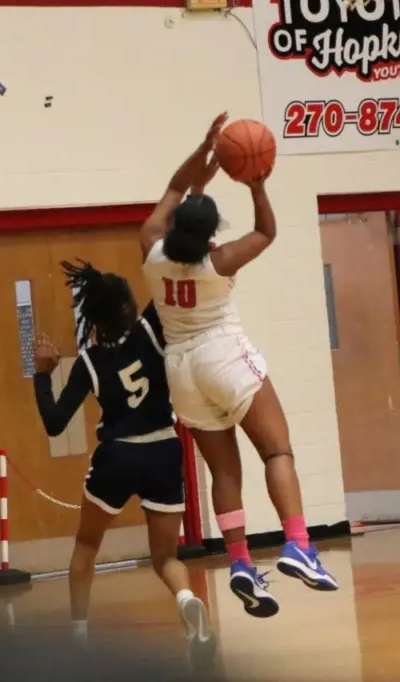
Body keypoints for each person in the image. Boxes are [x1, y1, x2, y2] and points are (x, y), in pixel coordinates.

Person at [139, 113, 339, 619]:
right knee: (276, 450)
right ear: (211, 236)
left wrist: (204, 155)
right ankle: (298, 545)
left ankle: (240, 562)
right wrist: (257, 186)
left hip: (181, 370)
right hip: (222, 354)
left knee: (224, 470)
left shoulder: (151, 247)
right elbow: (266, 232)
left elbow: (175, 188)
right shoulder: (219, 261)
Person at [32, 259, 216, 661]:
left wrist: (42, 374)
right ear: (129, 307)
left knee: (86, 545)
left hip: (118, 456)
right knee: (166, 557)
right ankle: (186, 598)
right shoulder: (151, 328)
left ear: (93, 318)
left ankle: (79, 638)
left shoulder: (89, 363)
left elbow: (54, 423)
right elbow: (171, 278)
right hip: (164, 449)